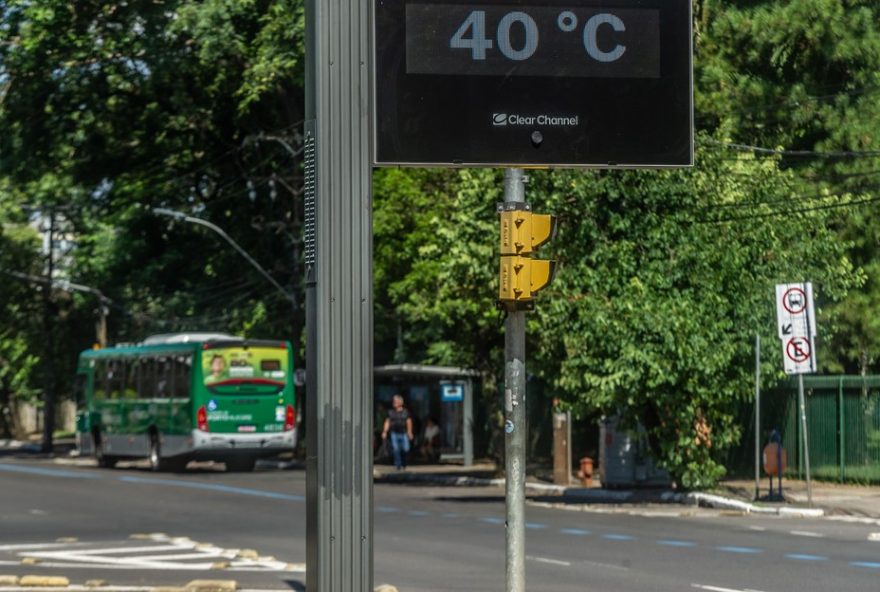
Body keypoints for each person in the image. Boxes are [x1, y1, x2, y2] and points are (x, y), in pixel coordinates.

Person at [381, 394, 414, 470]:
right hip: (394, 433)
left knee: (406, 449)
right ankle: (398, 465)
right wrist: (385, 431)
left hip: (404, 433)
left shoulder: (406, 412)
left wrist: (409, 432)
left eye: (396, 401)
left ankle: (404, 462)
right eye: (394, 401)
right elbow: (387, 422)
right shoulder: (391, 412)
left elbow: (409, 422)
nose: (394, 403)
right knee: (396, 449)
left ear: (400, 403)